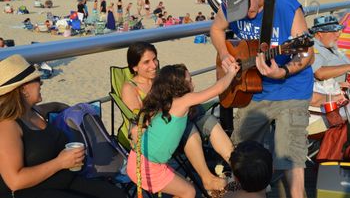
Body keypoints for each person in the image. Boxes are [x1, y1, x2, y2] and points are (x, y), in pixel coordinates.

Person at [210, 0, 314, 198]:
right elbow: (216, 30)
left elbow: (307, 53)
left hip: (292, 90)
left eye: (247, 7)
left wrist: (283, 71)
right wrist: (224, 53)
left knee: (291, 167)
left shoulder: (285, 4)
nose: (247, 15)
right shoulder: (229, 5)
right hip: (253, 92)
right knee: (242, 163)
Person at [0, 54, 127, 198]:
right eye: (36, 80)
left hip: (63, 181)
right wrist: (60, 163)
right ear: (23, 89)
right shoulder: (7, 126)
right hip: (33, 191)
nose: (41, 83)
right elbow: (15, 181)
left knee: (116, 194)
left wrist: (65, 108)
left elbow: (53, 106)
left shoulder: (34, 111)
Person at [122, 43, 235, 192]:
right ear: (134, 67)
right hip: (157, 138)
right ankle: (208, 178)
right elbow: (139, 118)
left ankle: (237, 166)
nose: (154, 65)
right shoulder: (130, 88)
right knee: (191, 129)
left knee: (209, 120)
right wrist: (231, 73)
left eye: (155, 59)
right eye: (146, 62)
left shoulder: (162, 79)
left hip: (177, 124)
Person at [309, 15, 349, 112]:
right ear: (320, 33)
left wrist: (338, 83)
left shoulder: (332, 46)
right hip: (329, 99)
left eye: (338, 30)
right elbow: (319, 73)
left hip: (340, 89)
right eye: (333, 31)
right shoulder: (312, 48)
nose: (338, 34)